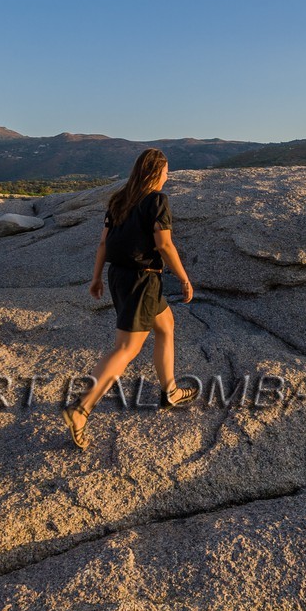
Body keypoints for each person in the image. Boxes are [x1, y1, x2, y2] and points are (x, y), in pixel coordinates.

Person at [62, 147, 197, 449]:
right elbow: (163, 244)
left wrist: (97, 277)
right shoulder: (157, 201)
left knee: (166, 326)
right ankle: (81, 409)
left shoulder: (120, 199)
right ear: (154, 172)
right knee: (125, 348)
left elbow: (103, 244)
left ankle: (171, 391)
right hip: (143, 280)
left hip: (119, 276)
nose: (168, 175)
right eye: (165, 171)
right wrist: (185, 278)